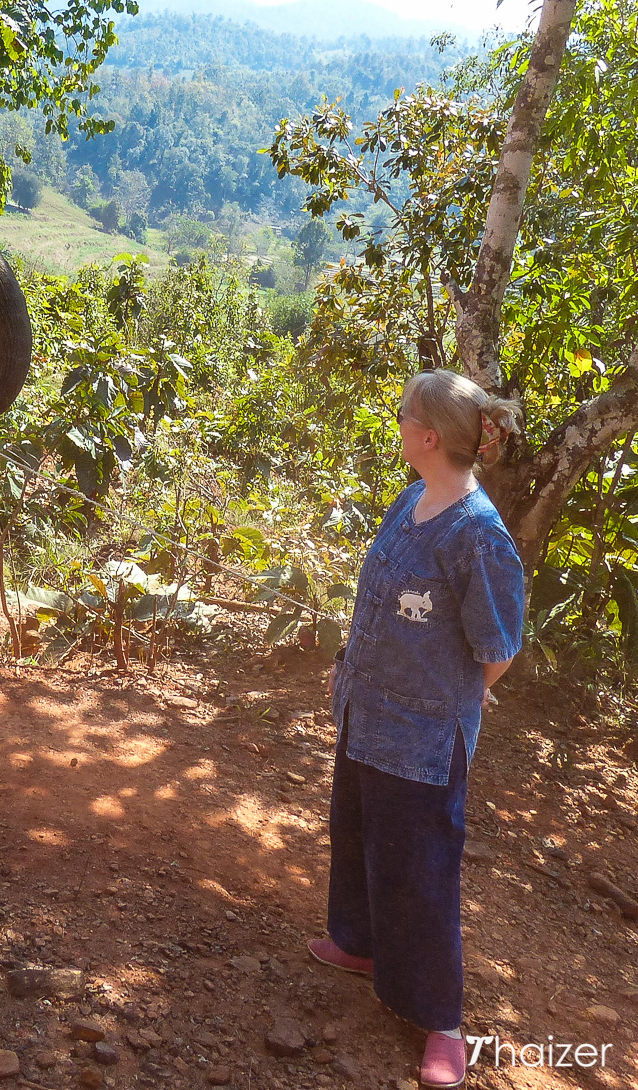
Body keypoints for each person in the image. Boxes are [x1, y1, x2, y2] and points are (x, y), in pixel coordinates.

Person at [311, 370, 526, 1089]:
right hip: (365, 715)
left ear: (429, 437)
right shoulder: (412, 500)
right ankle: (362, 943)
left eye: (404, 415)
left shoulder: (479, 538)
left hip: (424, 741)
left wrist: (458, 699)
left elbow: (497, 650)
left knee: (421, 872)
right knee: (360, 833)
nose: (397, 422)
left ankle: (443, 1022)